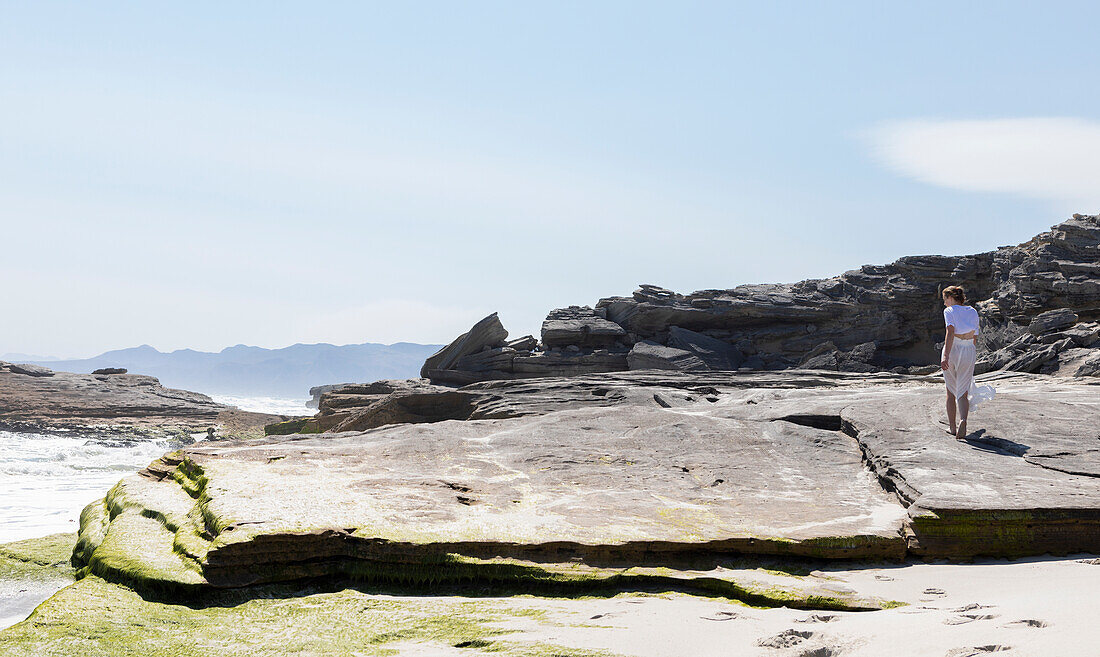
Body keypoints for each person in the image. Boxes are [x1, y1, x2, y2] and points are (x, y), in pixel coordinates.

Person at [940, 285, 994, 440]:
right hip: (969, 349)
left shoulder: (949, 311)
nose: (944, 304)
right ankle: (963, 420)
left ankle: (952, 428)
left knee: (951, 391)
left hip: (954, 348)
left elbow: (950, 332)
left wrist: (946, 356)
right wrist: (970, 354)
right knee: (962, 392)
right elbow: (975, 336)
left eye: (945, 300)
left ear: (950, 298)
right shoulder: (972, 311)